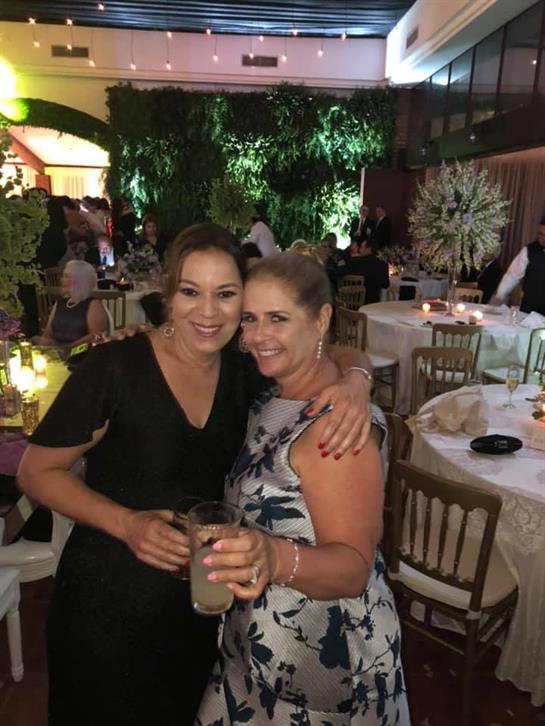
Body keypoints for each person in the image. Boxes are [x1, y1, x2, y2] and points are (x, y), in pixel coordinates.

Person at [18, 224, 376, 726]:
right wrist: (128, 524)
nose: (207, 312)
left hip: (200, 616)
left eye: (225, 294)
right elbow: (36, 471)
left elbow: (319, 346)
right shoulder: (116, 366)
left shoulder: (245, 372)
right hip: (105, 609)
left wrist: (358, 378)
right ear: (168, 296)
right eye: (190, 291)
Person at [196, 253, 409, 725]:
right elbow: (344, 354)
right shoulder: (275, 394)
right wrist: (358, 373)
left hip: (322, 657)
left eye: (278, 318)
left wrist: (272, 557)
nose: (257, 336)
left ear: (321, 319)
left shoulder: (338, 428)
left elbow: (353, 569)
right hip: (257, 641)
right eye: (250, 318)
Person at [41, 260, 109, 347]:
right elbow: (47, 335)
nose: (61, 280)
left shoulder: (94, 305)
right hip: (56, 352)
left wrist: (68, 348)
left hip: (83, 353)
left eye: (66, 276)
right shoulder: (60, 303)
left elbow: (97, 337)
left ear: (78, 280)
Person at [490, 219, 545, 314]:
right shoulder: (529, 250)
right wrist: (499, 295)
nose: (543, 238)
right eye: (541, 234)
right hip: (529, 309)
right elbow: (513, 275)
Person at [341, 239, 390, 304]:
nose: (359, 250)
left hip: (352, 303)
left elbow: (339, 273)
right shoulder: (383, 265)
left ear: (369, 249)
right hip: (373, 303)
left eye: (361, 247)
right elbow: (386, 284)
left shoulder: (355, 262)